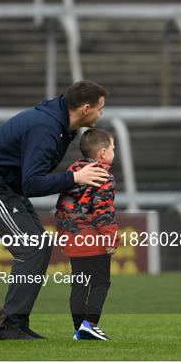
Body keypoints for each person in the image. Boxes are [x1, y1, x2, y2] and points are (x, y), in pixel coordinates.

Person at [0, 80, 110, 340]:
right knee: (32, 247)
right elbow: (32, 183)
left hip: (3, 186)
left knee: (39, 246)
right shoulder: (47, 128)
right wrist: (75, 178)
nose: (101, 113)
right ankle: (10, 327)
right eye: (100, 108)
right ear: (85, 108)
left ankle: (15, 323)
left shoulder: (62, 125)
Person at [54, 128, 121, 341]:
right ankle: (89, 325)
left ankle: (79, 329)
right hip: (93, 239)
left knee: (79, 284)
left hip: (72, 237)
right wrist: (111, 237)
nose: (114, 152)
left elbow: (62, 206)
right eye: (112, 148)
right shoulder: (103, 175)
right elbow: (103, 210)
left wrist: (64, 234)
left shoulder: (73, 171)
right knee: (101, 282)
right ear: (102, 153)